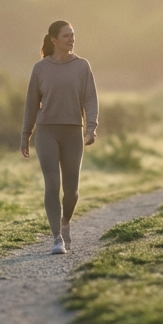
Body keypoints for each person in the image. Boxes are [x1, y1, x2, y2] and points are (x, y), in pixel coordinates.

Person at [21, 20, 98, 255]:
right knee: (52, 184)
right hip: (46, 131)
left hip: (73, 130)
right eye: (66, 36)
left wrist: (91, 127)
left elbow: (90, 99)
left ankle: (65, 222)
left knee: (72, 190)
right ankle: (56, 238)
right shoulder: (40, 68)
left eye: (72, 35)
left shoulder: (82, 66)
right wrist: (26, 134)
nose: (71, 39)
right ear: (54, 40)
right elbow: (31, 104)